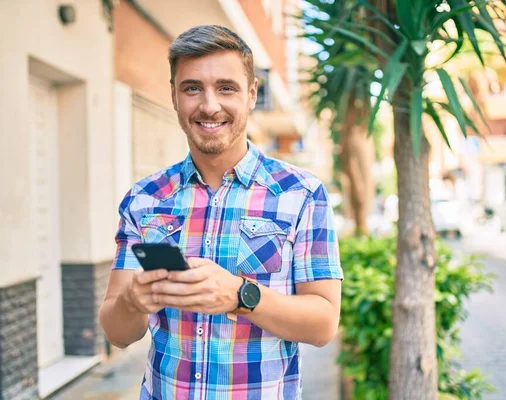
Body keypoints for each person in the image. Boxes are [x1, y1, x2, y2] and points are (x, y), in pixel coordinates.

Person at [99, 25, 343, 400]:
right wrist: (133, 301)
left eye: (226, 88)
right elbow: (118, 332)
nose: (209, 105)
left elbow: (323, 324)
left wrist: (241, 295)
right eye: (192, 88)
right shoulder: (143, 199)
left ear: (251, 94)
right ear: (175, 97)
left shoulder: (302, 194)